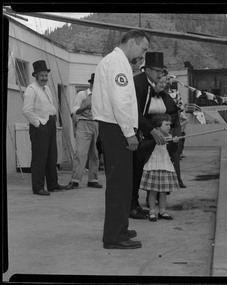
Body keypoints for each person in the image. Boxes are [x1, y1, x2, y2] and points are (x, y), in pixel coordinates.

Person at [92, 29, 150, 250]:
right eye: (143, 48)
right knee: (119, 184)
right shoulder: (118, 62)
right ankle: (114, 236)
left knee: (123, 183)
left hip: (114, 126)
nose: (142, 54)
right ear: (133, 42)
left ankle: (120, 227)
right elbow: (120, 101)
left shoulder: (116, 61)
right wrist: (129, 132)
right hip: (117, 127)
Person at [129, 52, 169, 220]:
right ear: (148, 70)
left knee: (138, 171)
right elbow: (134, 113)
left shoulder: (148, 85)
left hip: (140, 133)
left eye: (162, 72)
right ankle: (131, 206)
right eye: (158, 71)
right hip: (130, 133)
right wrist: (152, 131)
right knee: (132, 172)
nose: (160, 75)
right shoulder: (138, 84)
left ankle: (135, 204)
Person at [22, 60, 66, 196]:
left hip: (50, 124)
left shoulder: (46, 88)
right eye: (42, 75)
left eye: (46, 75)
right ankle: (38, 187)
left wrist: (53, 118)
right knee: (39, 158)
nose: (44, 78)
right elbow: (26, 111)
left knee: (52, 156)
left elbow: (48, 106)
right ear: (35, 76)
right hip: (40, 126)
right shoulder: (31, 90)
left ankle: (53, 184)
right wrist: (38, 124)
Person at [138, 114, 180, 222]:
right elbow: (142, 147)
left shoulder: (170, 137)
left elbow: (173, 151)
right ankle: (152, 211)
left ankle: (162, 211)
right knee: (152, 191)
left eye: (169, 125)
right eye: (166, 124)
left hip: (165, 166)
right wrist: (155, 141)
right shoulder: (150, 137)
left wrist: (174, 143)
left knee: (163, 192)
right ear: (157, 127)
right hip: (153, 166)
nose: (169, 127)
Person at [65, 73, 102, 190]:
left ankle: (93, 179)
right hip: (83, 123)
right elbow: (74, 109)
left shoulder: (100, 96)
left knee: (94, 153)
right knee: (81, 153)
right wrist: (85, 108)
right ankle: (75, 180)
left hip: (95, 124)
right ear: (91, 83)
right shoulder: (82, 94)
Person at [165, 76, 186, 188]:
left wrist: (173, 108)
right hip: (163, 126)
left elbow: (181, 106)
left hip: (175, 125)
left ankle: (178, 179)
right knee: (163, 153)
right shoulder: (157, 93)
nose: (167, 82)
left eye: (168, 80)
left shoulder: (175, 93)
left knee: (175, 154)